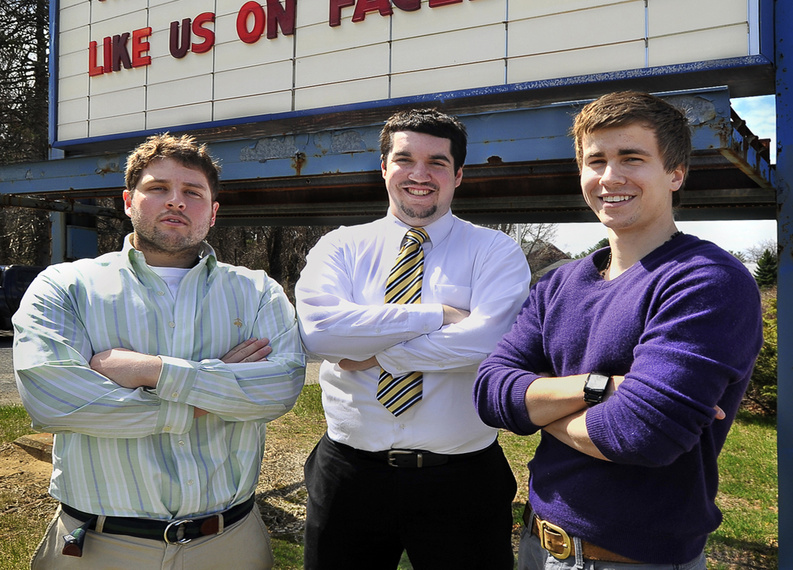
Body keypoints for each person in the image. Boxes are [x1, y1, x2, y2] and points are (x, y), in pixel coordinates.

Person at [474, 91, 764, 569]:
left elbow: (638, 435)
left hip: (634, 559)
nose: (610, 177)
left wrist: (534, 410)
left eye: (632, 158)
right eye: (596, 160)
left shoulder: (707, 280)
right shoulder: (560, 282)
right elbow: (488, 391)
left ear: (675, 172)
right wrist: (603, 388)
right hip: (535, 545)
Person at [13, 133, 305, 570]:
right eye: (157, 189)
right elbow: (54, 401)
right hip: (98, 546)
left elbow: (279, 389)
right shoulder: (65, 287)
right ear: (128, 201)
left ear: (213, 211)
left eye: (192, 192)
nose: (176, 201)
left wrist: (150, 371)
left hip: (231, 544)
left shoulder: (257, 290)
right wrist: (213, 391)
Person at [295, 108, 531, 569]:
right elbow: (321, 333)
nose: (419, 175)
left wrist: (379, 355)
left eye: (438, 163)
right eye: (404, 159)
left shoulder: (494, 250)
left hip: (463, 480)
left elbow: (491, 342)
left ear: (458, 175)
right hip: (348, 475)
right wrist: (437, 315)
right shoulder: (340, 246)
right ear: (384, 167)